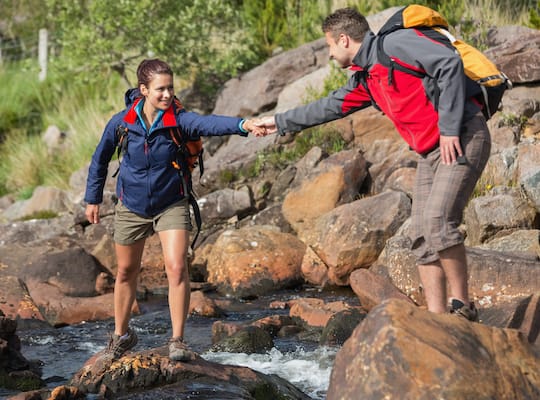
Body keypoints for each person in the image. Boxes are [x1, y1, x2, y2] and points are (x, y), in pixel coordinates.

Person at [257, 7, 491, 321]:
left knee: (438, 222)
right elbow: (329, 107)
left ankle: (463, 307)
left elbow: (448, 63)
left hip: (462, 136)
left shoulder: (394, 46)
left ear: (343, 40)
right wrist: (278, 121)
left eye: (328, 46)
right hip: (430, 152)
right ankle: (437, 318)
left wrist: (449, 128)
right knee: (421, 234)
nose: (328, 55)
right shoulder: (366, 78)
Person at [84, 58, 266, 361]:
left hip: (171, 202)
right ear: (144, 90)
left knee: (177, 267)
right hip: (130, 205)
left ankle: (177, 340)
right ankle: (121, 336)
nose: (167, 95)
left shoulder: (178, 120)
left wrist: (242, 125)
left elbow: (209, 123)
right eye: (160, 89)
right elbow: (99, 159)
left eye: (170, 88)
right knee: (127, 271)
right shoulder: (122, 123)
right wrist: (92, 199)